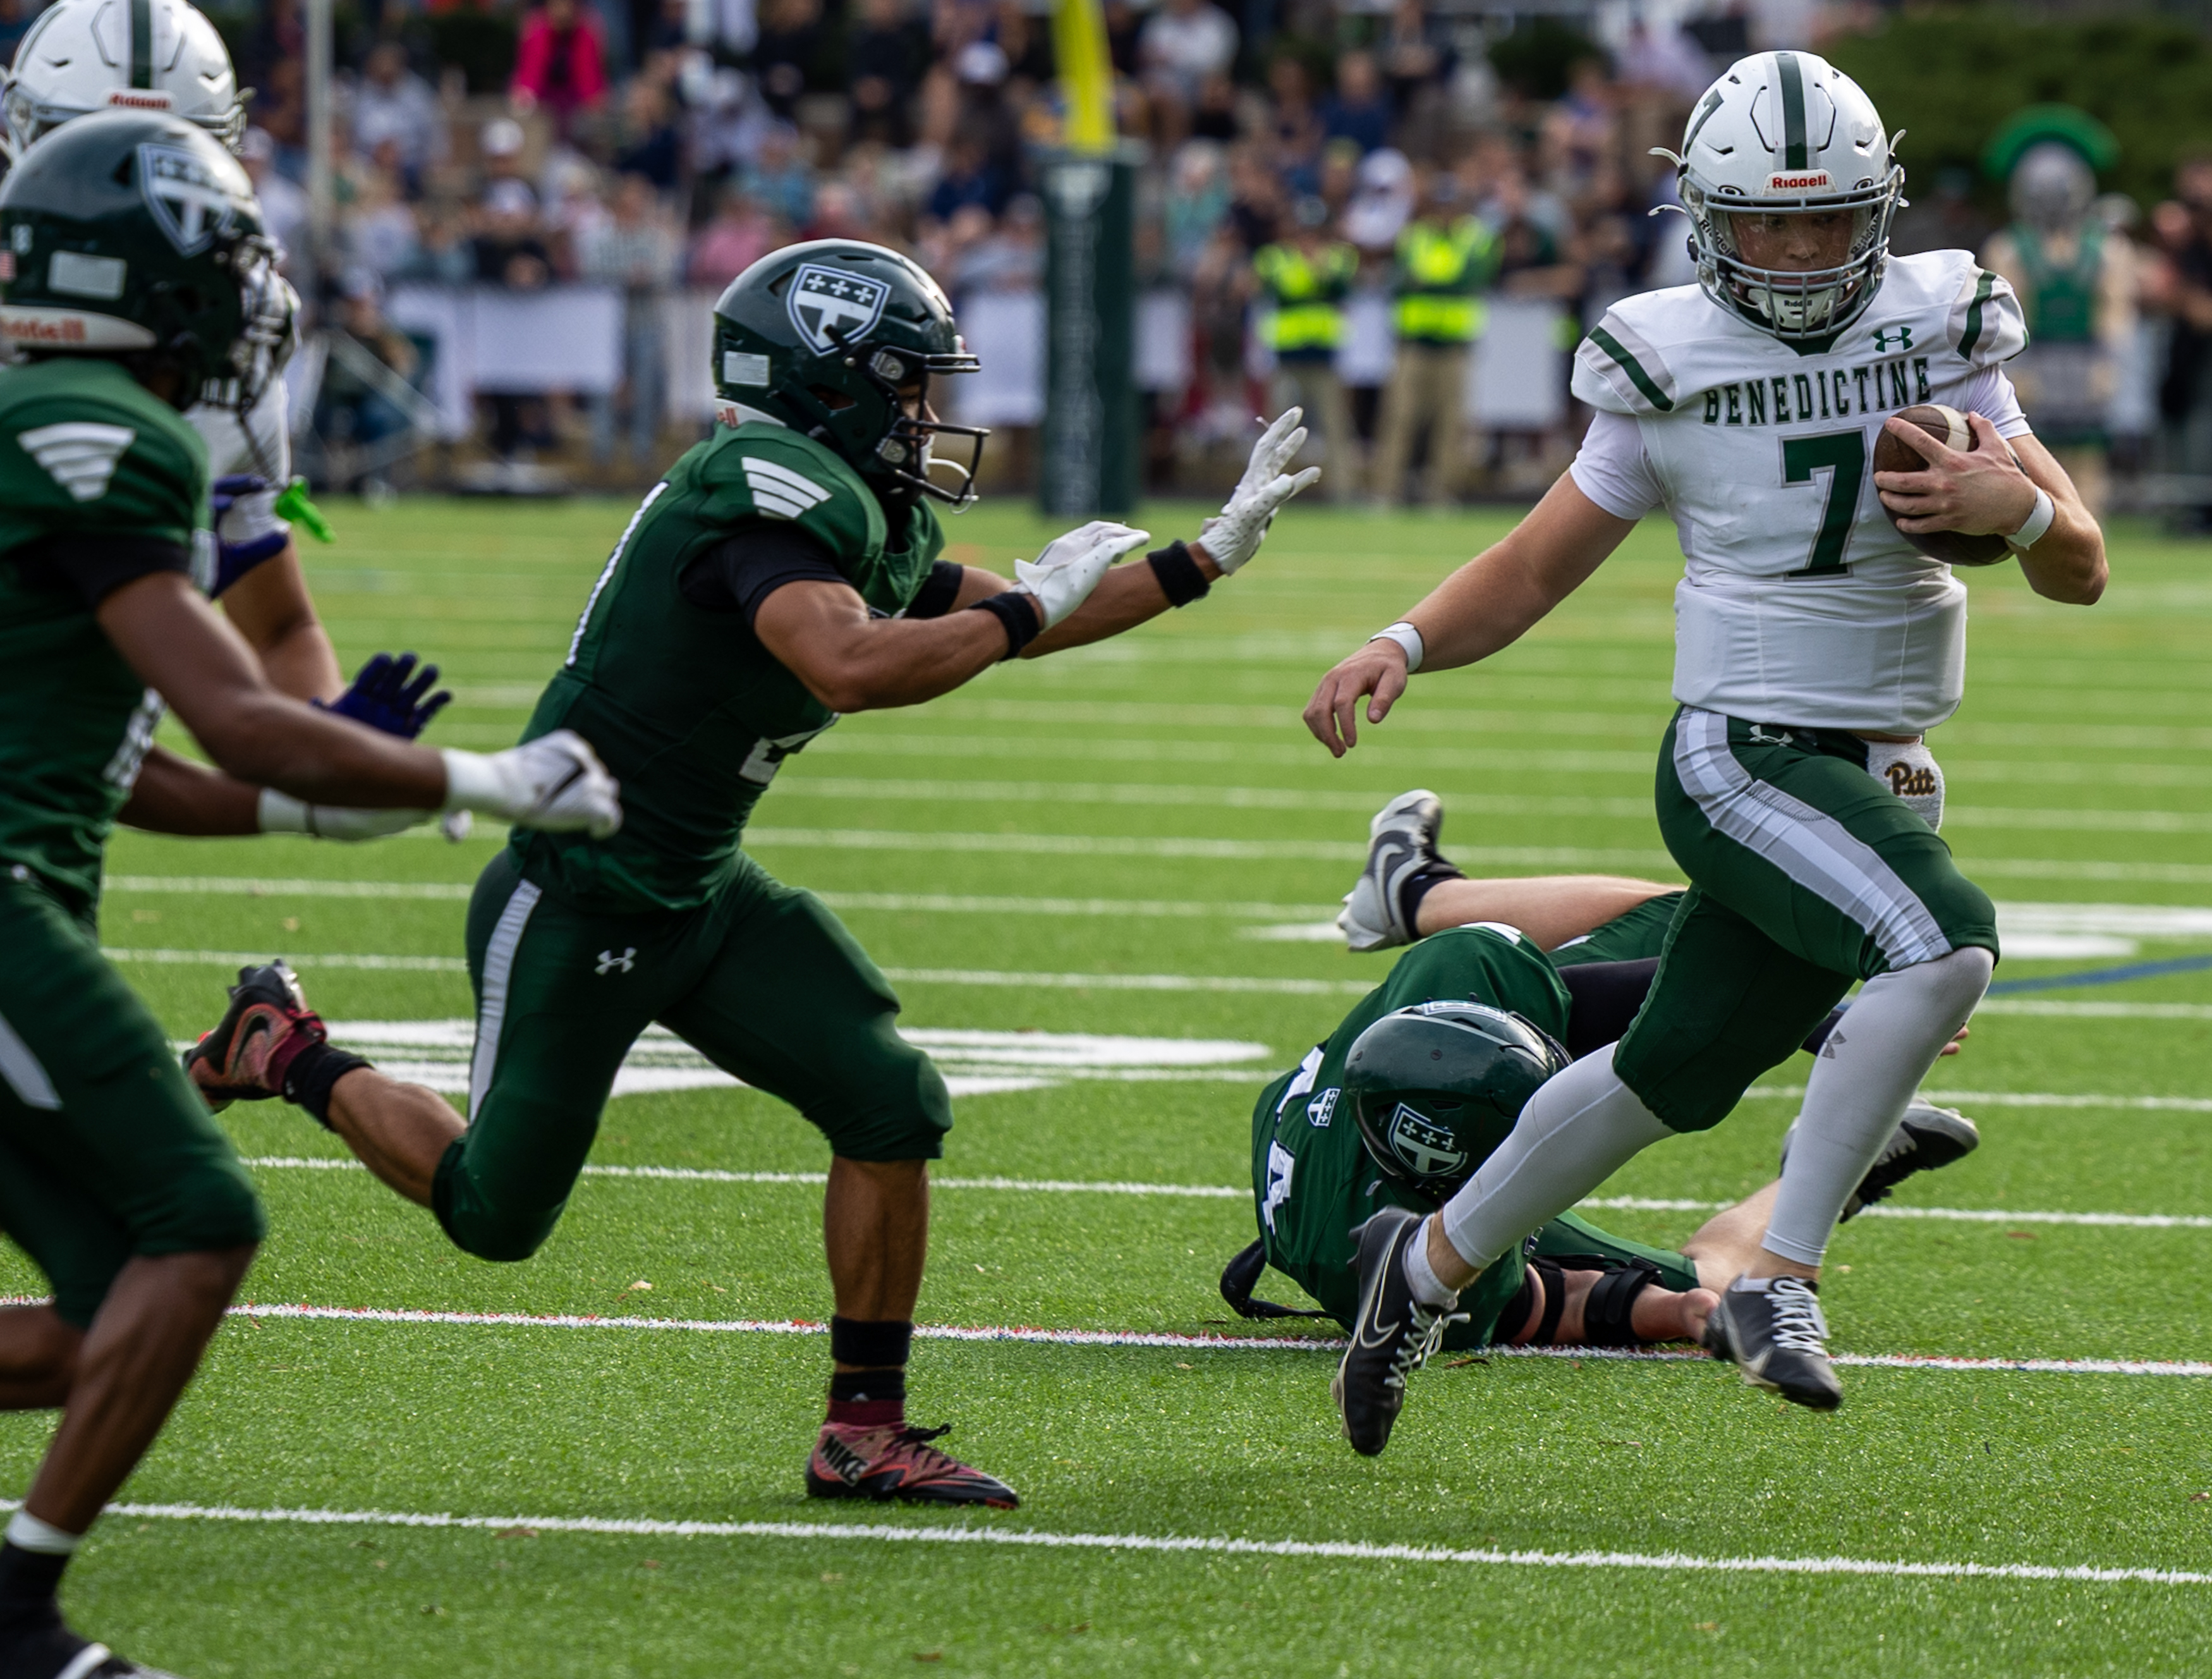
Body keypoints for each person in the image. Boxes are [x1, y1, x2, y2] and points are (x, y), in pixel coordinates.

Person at [182, 241, 1323, 1513]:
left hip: (700, 889)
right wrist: (1022, 611)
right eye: (904, 387)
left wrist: (1200, 558)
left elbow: (1014, 617)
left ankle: (862, 1430)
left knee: (891, 1097)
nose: (926, 415)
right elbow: (849, 664)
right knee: (493, 1210)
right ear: (824, 382)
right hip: (582, 896)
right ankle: (281, 1045)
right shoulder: (760, 494)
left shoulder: (852, 501)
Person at [1304, 51, 2106, 1453]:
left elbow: (2081, 566)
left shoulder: (1946, 321)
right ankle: (1779, 1276)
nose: (1795, 254)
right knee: (1947, 942)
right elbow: (1538, 558)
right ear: (1702, 216)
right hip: (1737, 751)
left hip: (1876, 761)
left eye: (1822, 219)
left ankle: (1417, 1266)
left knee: (1666, 1071)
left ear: (1878, 208)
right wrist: (1405, 641)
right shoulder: (1662, 349)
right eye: (1762, 223)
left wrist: (2019, 508)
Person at [0, 109, 621, 1679]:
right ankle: (12, 1622)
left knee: (98, 1314)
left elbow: (131, 769)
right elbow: (231, 710)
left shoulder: (60, 419)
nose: (243, 299)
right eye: (214, 263)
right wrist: (480, 779)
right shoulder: (95, 428)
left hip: (29, 886)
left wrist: (316, 801)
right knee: (199, 1219)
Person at [1236, 795, 1979, 1356]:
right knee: (1709, 1281)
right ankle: (1832, 1172)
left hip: (1384, 1102)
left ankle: (1417, 895)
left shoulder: (1453, 987)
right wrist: (1680, 1314)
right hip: (1376, 1222)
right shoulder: (1372, 1268)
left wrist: (1804, 1013)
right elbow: (1561, 1305)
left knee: (1692, 926)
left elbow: (1614, 996)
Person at [2, 0, 421, 725]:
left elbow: (281, 627)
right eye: (92, 152)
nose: (128, 194)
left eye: (165, 156)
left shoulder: (229, 328)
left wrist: (332, 739)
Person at [1979, 114, 2134, 516]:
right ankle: (2043, 529)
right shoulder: (2009, 248)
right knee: (2033, 450)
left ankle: (2089, 529)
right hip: (2035, 357)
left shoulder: (2106, 248)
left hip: (2086, 357)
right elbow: (2004, 316)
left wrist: (2109, 362)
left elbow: (2115, 312)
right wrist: (2015, 369)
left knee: (2088, 452)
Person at [1370, 173, 1493, 506]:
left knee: (1451, 423)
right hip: (1415, 342)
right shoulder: (1415, 236)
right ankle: (1386, 491)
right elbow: (1400, 281)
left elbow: (1470, 279)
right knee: (1400, 418)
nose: (1445, 213)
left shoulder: (1474, 238)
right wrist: (1437, 282)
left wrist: (1428, 282)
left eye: (1450, 206)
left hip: (1454, 344)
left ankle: (1442, 493)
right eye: (1440, 206)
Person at [1253, 198, 1358, 499]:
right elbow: (1281, 288)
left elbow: (1339, 287)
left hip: (1324, 355)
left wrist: (1318, 270)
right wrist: (1315, 276)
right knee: (1276, 430)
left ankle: (1343, 492)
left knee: (1335, 427)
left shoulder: (1338, 256)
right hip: (1287, 354)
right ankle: (1260, 494)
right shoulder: (1275, 257)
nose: (1308, 238)